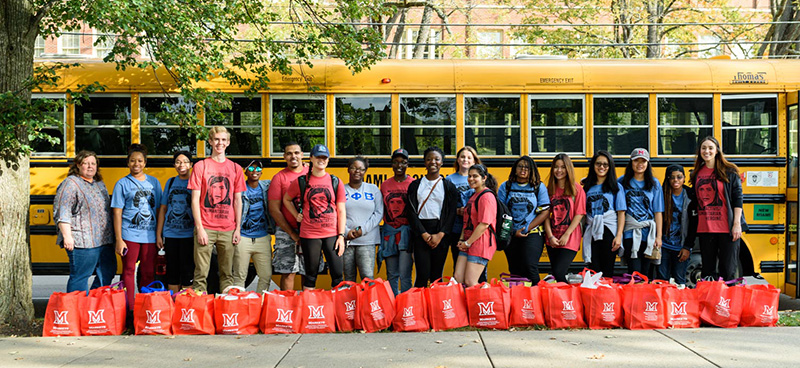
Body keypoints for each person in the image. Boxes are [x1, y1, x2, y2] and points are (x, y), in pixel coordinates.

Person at [189, 126, 245, 293]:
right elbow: (195, 199)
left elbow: (237, 201)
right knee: (200, 273)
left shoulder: (236, 168)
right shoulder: (201, 166)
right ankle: (200, 311)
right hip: (206, 227)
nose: (220, 143)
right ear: (211, 142)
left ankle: (225, 310)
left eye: (223, 140)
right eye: (216, 140)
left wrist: (237, 229)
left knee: (227, 273)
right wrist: (200, 229)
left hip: (228, 229)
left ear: (227, 143)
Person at [283, 144, 347, 289]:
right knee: (310, 274)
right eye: (318, 157)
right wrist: (296, 215)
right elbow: (286, 199)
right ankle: (309, 307)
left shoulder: (335, 181)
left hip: (332, 234)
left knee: (337, 274)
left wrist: (341, 236)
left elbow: (341, 210)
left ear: (328, 160)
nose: (321, 160)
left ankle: (336, 309)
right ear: (311, 158)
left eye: (324, 157)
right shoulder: (302, 181)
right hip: (310, 234)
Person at [54, 150, 116, 293]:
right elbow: (62, 212)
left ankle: (92, 305)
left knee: (107, 272)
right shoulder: (70, 184)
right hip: (83, 241)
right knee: (80, 276)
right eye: (86, 163)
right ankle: (76, 308)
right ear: (77, 165)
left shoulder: (99, 184)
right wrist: (67, 236)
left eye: (93, 163)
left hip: (104, 240)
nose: (90, 166)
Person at [111, 144, 162, 310]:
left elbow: (160, 209)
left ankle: (145, 307)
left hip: (150, 236)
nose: (136, 164)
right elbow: (117, 213)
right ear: (128, 163)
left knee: (148, 271)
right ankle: (130, 309)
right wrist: (119, 239)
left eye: (140, 161)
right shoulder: (122, 184)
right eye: (132, 161)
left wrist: (159, 234)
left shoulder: (154, 182)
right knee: (128, 271)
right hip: (129, 234)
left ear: (145, 163)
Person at [690, 136, 747, 281]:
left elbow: (737, 199)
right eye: (703, 148)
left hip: (726, 228)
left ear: (717, 151)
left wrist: (736, 224)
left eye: (710, 148)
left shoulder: (729, 171)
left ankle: (728, 302)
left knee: (728, 271)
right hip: (706, 229)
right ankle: (712, 302)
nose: (706, 151)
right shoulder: (696, 173)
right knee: (707, 272)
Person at [408, 146, 459, 287]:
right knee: (422, 275)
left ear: (442, 162)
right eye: (429, 159)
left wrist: (441, 234)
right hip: (421, 232)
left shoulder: (449, 186)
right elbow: (411, 212)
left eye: (437, 159)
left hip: (440, 232)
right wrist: (423, 233)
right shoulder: (415, 185)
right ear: (424, 162)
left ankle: (436, 307)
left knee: (437, 276)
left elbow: (451, 213)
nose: (433, 162)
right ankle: (420, 307)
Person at [497, 156, 550, 284]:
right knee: (515, 269)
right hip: (511, 234)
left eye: (527, 167)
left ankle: (537, 296)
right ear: (515, 169)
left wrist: (527, 228)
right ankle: (519, 299)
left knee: (530, 265)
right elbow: (500, 212)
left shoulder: (538, 187)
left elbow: (545, 212)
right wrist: (512, 231)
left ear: (532, 170)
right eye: (520, 166)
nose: (523, 170)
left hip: (532, 233)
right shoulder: (506, 186)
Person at [268, 141, 311, 290]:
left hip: (311, 231)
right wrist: (291, 233)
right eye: (289, 153)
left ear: (302, 155)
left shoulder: (311, 173)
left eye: (296, 153)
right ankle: (287, 309)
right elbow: (274, 209)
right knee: (288, 272)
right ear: (284, 156)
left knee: (309, 272)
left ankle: (307, 308)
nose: (293, 156)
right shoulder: (279, 178)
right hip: (286, 231)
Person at [445, 146, 488, 283]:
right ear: (457, 159)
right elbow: (445, 204)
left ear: (475, 160)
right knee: (458, 267)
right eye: (462, 156)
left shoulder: (480, 182)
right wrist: (457, 211)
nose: (465, 159)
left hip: (476, 230)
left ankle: (481, 299)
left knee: (477, 270)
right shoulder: (449, 179)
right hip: (457, 228)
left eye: (469, 157)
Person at [619, 148, 664, 275]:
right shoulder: (622, 181)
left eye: (643, 161)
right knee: (634, 271)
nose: (640, 164)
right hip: (630, 232)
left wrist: (658, 237)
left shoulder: (654, 183)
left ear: (648, 163)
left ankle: (645, 295)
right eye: (636, 161)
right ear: (631, 162)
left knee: (647, 272)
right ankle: (635, 294)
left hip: (648, 233)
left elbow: (658, 212)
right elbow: (606, 186)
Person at [581, 150, 626, 277]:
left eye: (605, 164)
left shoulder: (616, 187)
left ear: (610, 166)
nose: (601, 167)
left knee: (607, 271)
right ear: (593, 165)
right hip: (591, 230)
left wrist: (618, 236)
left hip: (609, 230)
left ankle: (607, 296)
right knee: (593, 270)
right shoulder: (587, 187)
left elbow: (621, 213)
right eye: (598, 164)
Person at [156, 151, 195, 293]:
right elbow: (163, 208)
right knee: (171, 272)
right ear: (174, 165)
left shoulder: (195, 182)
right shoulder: (171, 182)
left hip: (189, 234)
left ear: (191, 165)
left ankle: (185, 305)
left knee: (188, 271)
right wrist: (159, 234)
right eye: (178, 162)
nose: (181, 165)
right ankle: (173, 305)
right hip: (171, 234)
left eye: (185, 161)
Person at [544, 153, 585, 283]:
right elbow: (545, 215)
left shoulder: (576, 189)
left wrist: (567, 234)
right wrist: (550, 236)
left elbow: (579, 214)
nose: (559, 170)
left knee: (559, 271)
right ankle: (563, 301)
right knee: (556, 275)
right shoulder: (549, 189)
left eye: (563, 167)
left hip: (570, 237)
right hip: (553, 237)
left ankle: (573, 295)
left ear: (568, 169)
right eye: (556, 167)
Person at [454, 164, 498, 287]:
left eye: (475, 176)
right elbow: (466, 221)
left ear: (484, 178)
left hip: (480, 243)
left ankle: (490, 300)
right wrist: (462, 240)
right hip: (468, 241)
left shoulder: (487, 196)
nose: (471, 179)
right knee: (458, 278)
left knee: (470, 281)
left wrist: (468, 242)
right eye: (469, 176)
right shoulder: (474, 195)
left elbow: (484, 224)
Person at [234, 160, 274, 292]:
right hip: (243, 237)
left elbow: (287, 181)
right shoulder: (239, 189)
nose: (254, 171)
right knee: (240, 276)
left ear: (262, 172)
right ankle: (238, 304)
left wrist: (305, 168)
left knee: (266, 275)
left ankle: (261, 303)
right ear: (245, 171)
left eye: (257, 169)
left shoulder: (267, 186)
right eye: (251, 169)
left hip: (262, 237)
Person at [379, 148, 414, 295]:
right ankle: (392, 303)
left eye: (403, 162)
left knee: (405, 274)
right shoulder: (385, 185)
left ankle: (406, 306)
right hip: (389, 233)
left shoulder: (413, 183)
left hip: (406, 233)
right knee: (392, 273)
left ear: (407, 164)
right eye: (396, 162)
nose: (399, 165)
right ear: (392, 164)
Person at [343, 156, 383, 282]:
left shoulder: (373, 189)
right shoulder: (340, 190)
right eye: (354, 168)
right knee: (348, 279)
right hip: (346, 241)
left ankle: (367, 302)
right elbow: (336, 213)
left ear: (365, 171)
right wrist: (346, 232)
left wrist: (363, 229)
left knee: (368, 278)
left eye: (361, 169)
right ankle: (350, 302)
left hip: (367, 242)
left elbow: (378, 213)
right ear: (348, 170)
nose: (357, 171)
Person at [659, 164, 698, 286]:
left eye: (679, 177)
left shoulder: (691, 195)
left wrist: (687, 247)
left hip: (681, 246)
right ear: (668, 179)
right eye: (672, 177)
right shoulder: (662, 194)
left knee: (680, 280)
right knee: (662, 280)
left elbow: (693, 224)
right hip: (664, 245)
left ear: (684, 178)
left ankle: (679, 305)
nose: (676, 180)